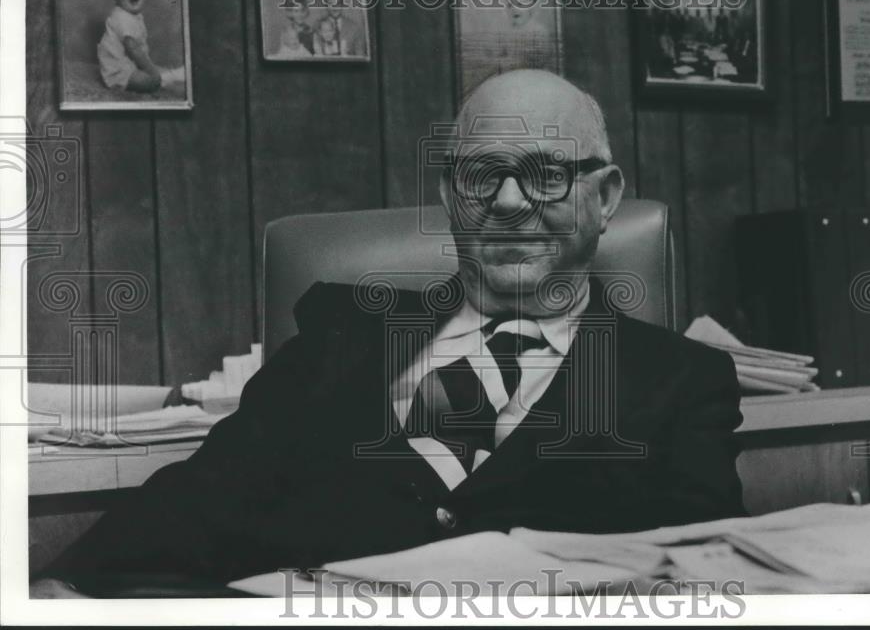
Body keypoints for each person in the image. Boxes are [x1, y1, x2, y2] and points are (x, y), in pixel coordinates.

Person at [33, 69, 744, 597]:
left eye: (546, 174)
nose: (507, 202)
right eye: (480, 175)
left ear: (606, 198)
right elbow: (191, 509)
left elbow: (700, 581)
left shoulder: (681, 384)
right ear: (448, 198)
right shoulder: (341, 339)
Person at [97, 0, 186, 93]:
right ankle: (166, 79)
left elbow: (139, 52)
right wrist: (152, 72)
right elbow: (134, 50)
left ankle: (169, 76)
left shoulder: (133, 15)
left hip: (131, 65)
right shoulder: (121, 18)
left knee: (156, 70)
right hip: (119, 72)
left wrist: (151, 68)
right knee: (150, 80)